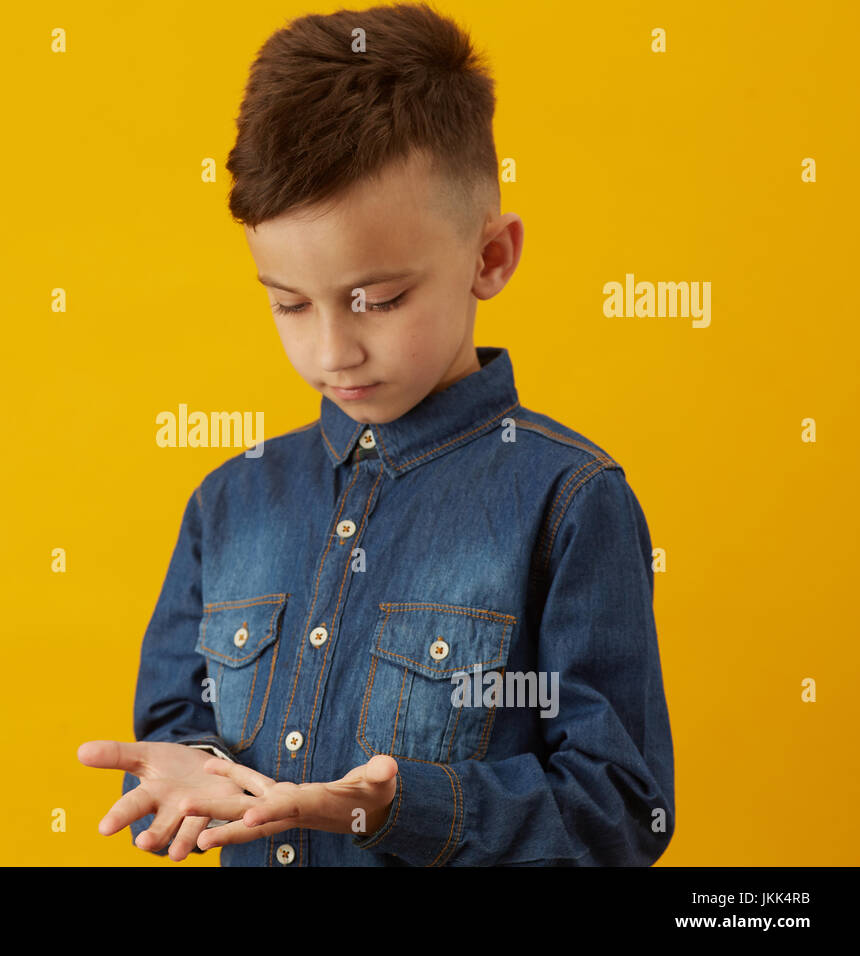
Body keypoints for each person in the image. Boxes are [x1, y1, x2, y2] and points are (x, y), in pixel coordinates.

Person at [78, 1, 674, 866]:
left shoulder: (569, 502)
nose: (331, 350)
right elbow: (177, 730)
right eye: (287, 304)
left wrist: (400, 808)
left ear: (490, 258)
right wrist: (184, 775)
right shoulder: (229, 501)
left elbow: (620, 810)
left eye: (379, 300)